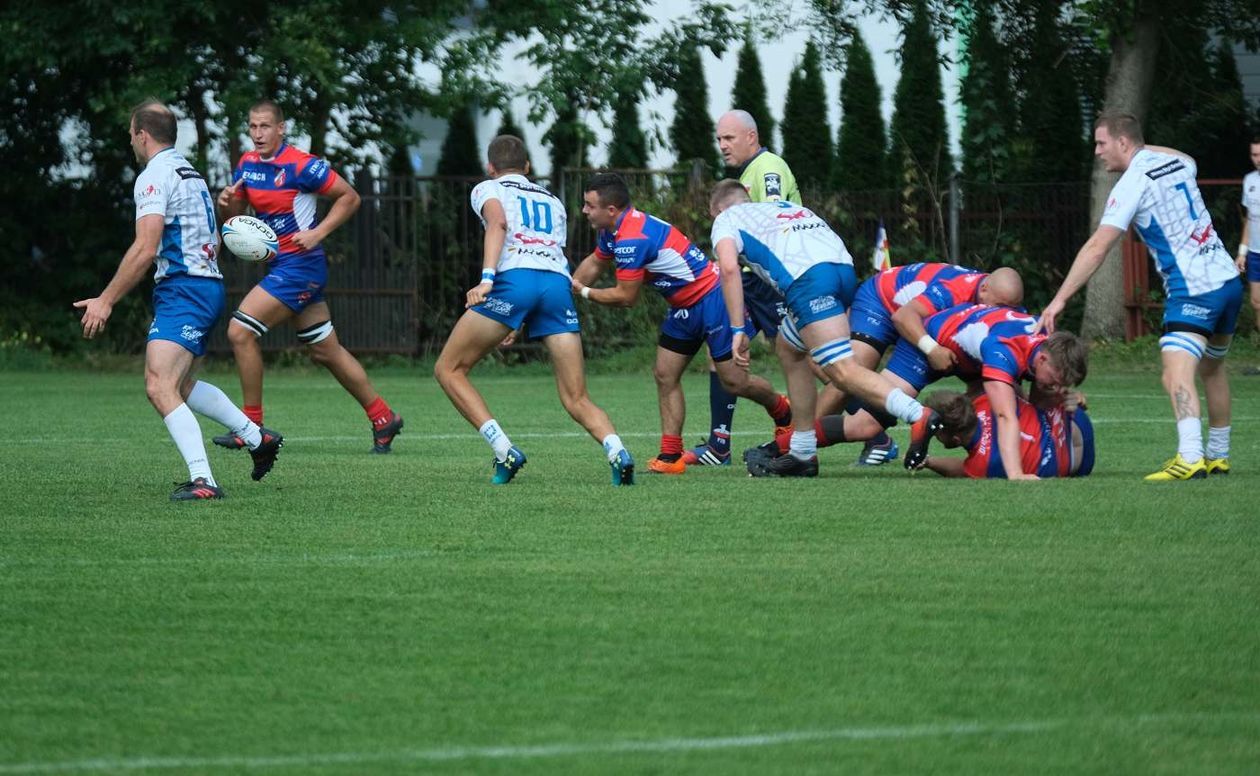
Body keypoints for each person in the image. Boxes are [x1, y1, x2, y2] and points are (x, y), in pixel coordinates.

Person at [74, 100, 282, 501]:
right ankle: (257, 438)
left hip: (186, 289)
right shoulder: (190, 172)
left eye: (131, 135)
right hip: (202, 287)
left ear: (142, 135)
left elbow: (145, 246)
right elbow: (212, 240)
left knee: (158, 384)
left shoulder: (154, 176)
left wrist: (106, 299)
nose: (131, 142)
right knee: (180, 385)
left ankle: (204, 480)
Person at [1038, 113, 1242, 480]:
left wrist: (1060, 299)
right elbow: (1188, 159)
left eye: (1102, 143)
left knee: (1174, 375)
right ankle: (1219, 454)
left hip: (1193, 288)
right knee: (1213, 369)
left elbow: (1098, 247)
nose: (1098, 152)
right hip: (1227, 281)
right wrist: (1143, 145)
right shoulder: (1175, 162)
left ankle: (1191, 456)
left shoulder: (1133, 182)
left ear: (1123, 142)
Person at [432, 136, 634, 486]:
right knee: (576, 397)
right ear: (527, 167)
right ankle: (617, 451)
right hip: (557, 286)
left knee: (449, 369)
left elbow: (498, 225)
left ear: (490, 168)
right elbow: (546, 255)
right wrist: (516, 318)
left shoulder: (487, 188)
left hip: (515, 282)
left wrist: (486, 280)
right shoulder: (552, 200)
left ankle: (503, 450)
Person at [707, 180, 941, 477]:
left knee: (841, 369)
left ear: (716, 210)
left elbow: (728, 269)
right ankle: (803, 452)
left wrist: (738, 328)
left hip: (810, 282)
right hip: (842, 271)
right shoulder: (786, 207)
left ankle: (918, 415)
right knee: (789, 348)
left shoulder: (726, 219)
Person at [214, 100, 403, 454]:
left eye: (265, 126)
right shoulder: (247, 165)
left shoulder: (302, 165)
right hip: (282, 267)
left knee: (239, 332)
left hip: (300, 266)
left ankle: (250, 426)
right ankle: (384, 417)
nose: (258, 134)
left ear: (281, 128)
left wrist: (319, 233)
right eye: (253, 127)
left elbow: (350, 197)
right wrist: (228, 203)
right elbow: (237, 217)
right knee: (326, 351)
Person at [571, 173, 793, 475]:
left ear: (610, 210)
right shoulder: (614, 231)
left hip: (714, 302)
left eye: (589, 205)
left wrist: (583, 292)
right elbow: (595, 262)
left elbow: (626, 297)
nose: (584, 211)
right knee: (665, 374)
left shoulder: (632, 238)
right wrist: (569, 285)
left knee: (735, 382)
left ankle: (782, 409)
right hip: (683, 306)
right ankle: (671, 455)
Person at [807, 302, 1089, 478]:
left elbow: (1033, 397)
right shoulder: (1003, 352)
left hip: (970, 353)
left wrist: (1060, 400)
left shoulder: (1048, 344)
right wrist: (1014, 474)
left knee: (1020, 401)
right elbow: (1005, 417)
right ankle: (795, 444)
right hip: (931, 345)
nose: (1059, 387)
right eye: (1057, 379)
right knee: (866, 424)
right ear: (1041, 358)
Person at [678, 109, 800, 467]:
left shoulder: (769, 167)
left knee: (816, 360)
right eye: (719, 139)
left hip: (778, 280)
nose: (722, 146)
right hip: (753, 280)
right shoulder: (747, 175)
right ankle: (719, 445)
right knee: (724, 358)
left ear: (751, 136)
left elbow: (776, 218)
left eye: (728, 138)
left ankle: (877, 435)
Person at [816, 261, 1025, 464]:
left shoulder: (1008, 310)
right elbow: (903, 317)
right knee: (848, 373)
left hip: (931, 328)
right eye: (998, 306)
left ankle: (1002, 454)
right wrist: (932, 349)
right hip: (882, 302)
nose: (1003, 313)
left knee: (996, 387)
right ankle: (800, 443)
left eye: (1012, 309)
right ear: (984, 288)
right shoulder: (955, 289)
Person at [912, 388, 1095, 479]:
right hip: (1073, 418)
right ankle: (1066, 393)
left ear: (956, 439)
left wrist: (928, 461)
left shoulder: (982, 464)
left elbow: (959, 469)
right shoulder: (985, 401)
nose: (934, 437)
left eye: (935, 434)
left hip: (1076, 461)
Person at [1237, 136, 1260, 340]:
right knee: (1256, 303)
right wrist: (1242, 253)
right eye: (1254, 154)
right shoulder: (1249, 180)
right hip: (1254, 253)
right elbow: (1249, 221)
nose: (1258, 159)